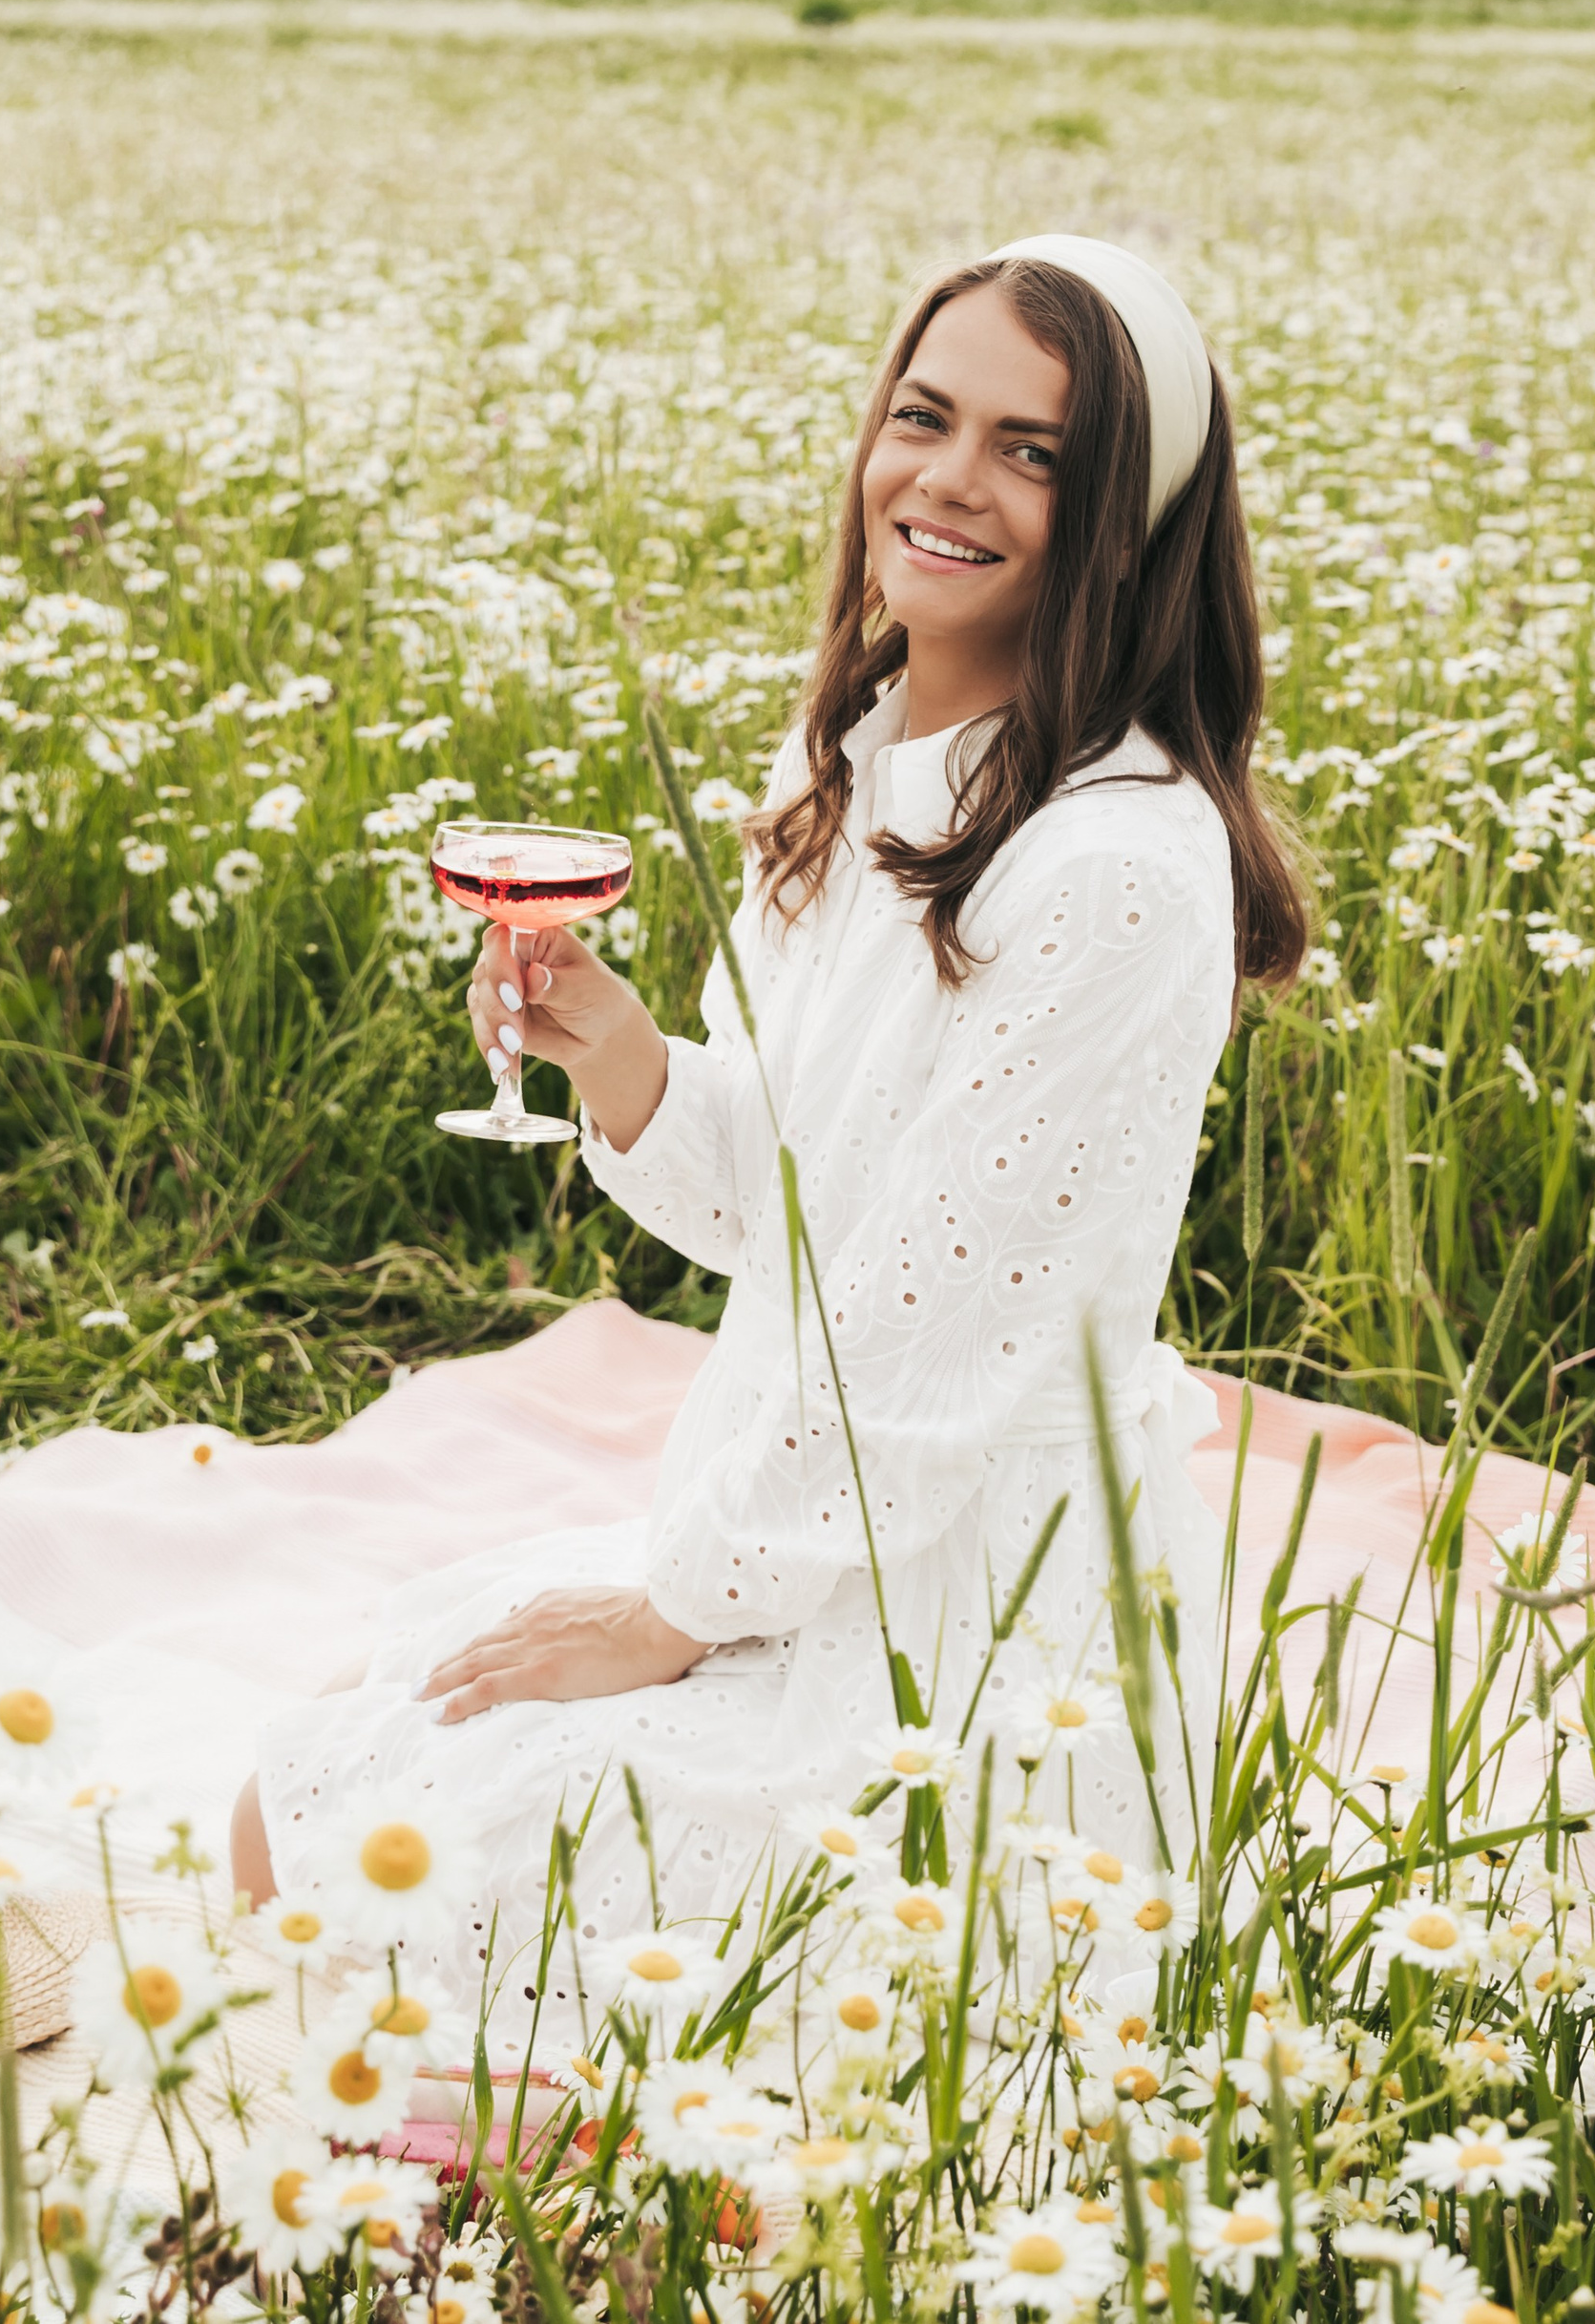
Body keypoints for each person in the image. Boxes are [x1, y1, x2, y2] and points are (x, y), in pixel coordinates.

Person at [231, 234, 1312, 1995]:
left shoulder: (1120, 870)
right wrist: (619, 1055)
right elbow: (786, 1227)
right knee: (308, 1795)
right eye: (924, 418)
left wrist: (673, 1617)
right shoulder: (857, 764)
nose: (949, 483)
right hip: (792, 1519)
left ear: (1128, 517)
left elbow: (918, 1339)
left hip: (963, 1628)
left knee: (343, 1888)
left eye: (1033, 453)